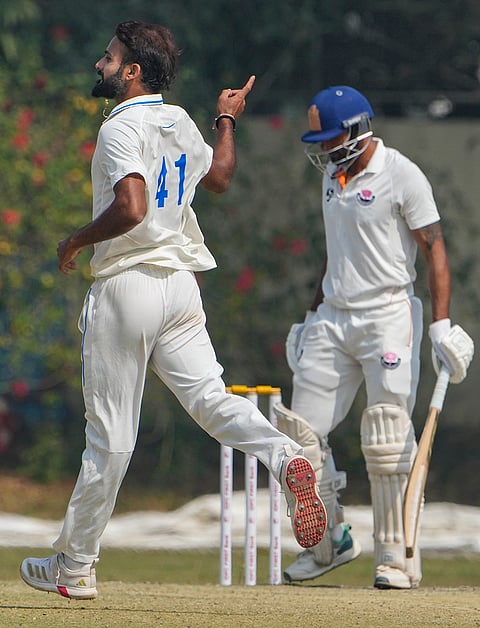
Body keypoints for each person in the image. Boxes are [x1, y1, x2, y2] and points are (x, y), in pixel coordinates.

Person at [20, 21, 326, 600]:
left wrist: (75, 242)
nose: (99, 65)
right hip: (181, 287)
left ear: (132, 72)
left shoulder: (119, 128)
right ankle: (284, 457)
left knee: (110, 438)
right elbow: (220, 177)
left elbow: (131, 208)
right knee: (211, 401)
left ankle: (76, 566)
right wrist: (226, 117)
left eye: (108, 58)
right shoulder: (180, 120)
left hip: (128, 286)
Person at [274, 85, 474, 589]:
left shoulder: (402, 174)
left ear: (359, 129)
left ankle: (396, 557)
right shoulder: (333, 178)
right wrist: (310, 313)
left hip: (387, 313)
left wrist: (441, 323)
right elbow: (336, 249)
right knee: (299, 438)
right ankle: (328, 544)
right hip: (333, 317)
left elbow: (434, 249)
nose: (322, 148)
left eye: (329, 137)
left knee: (387, 436)